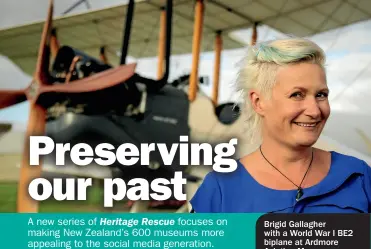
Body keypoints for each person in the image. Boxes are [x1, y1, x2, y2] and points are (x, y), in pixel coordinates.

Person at [189, 37, 371, 213]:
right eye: (297, 95)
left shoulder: (358, 177)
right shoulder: (220, 189)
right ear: (258, 102)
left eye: (321, 95)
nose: (315, 111)